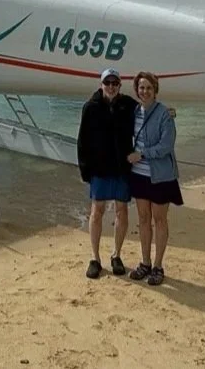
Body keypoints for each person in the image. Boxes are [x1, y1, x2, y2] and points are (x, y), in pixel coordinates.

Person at [76, 68, 136, 279]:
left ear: (120, 85)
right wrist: (85, 170)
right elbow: (82, 141)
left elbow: (145, 119)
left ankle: (116, 255)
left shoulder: (128, 105)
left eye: (115, 83)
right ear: (101, 84)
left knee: (122, 212)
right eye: (107, 82)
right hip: (99, 168)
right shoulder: (90, 107)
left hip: (122, 168)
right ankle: (95, 258)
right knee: (97, 211)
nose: (111, 86)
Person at [126, 71, 183, 286]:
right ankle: (145, 262)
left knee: (159, 220)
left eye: (149, 87)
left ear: (155, 90)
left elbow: (166, 146)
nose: (145, 91)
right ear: (136, 90)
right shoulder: (134, 112)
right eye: (141, 87)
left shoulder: (164, 114)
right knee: (142, 220)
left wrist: (141, 154)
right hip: (139, 175)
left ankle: (158, 266)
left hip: (160, 176)